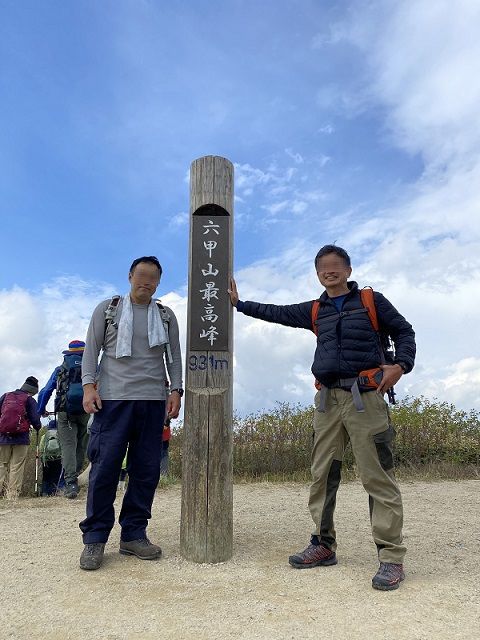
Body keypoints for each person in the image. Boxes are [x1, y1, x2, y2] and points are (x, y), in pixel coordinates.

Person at [228, 245, 416, 591]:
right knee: (322, 474)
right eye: (323, 269)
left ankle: (391, 557)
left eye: (336, 267)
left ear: (347, 269)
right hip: (327, 400)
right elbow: (278, 312)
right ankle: (323, 545)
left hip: (367, 398)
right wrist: (240, 305)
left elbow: (405, 331)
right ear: (317, 274)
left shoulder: (371, 301)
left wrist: (401, 365)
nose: (330, 272)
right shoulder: (317, 309)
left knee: (377, 476)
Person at [79, 256, 183, 571]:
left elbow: (174, 356)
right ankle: (95, 539)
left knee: (146, 471)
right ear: (130, 276)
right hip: (113, 400)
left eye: (152, 278)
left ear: (159, 282)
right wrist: (88, 387)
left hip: (153, 402)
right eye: (141, 276)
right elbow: (91, 349)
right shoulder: (108, 309)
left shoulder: (165, 315)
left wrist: (176, 391)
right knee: (105, 469)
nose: (146, 282)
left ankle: (134, 535)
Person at [38, 340, 89, 499]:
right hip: (87, 410)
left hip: (64, 411)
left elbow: (46, 390)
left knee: (68, 446)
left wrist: (41, 410)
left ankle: (70, 482)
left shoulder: (60, 369)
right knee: (81, 445)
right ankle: (75, 476)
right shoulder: (92, 367)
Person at [0, 376, 42, 499]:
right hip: (21, 438)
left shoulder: (6, 396)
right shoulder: (29, 400)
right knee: (16, 466)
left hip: (3, 438)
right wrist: (38, 426)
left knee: (2, 464)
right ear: (33, 390)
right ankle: (12, 495)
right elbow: (35, 420)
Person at [39, 419, 63, 496]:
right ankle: (57, 491)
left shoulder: (44, 436)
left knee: (46, 476)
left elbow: (41, 449)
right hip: (59, 458)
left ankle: (45, 492)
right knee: (58, 474)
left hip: (46, 460)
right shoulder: (60, 434)